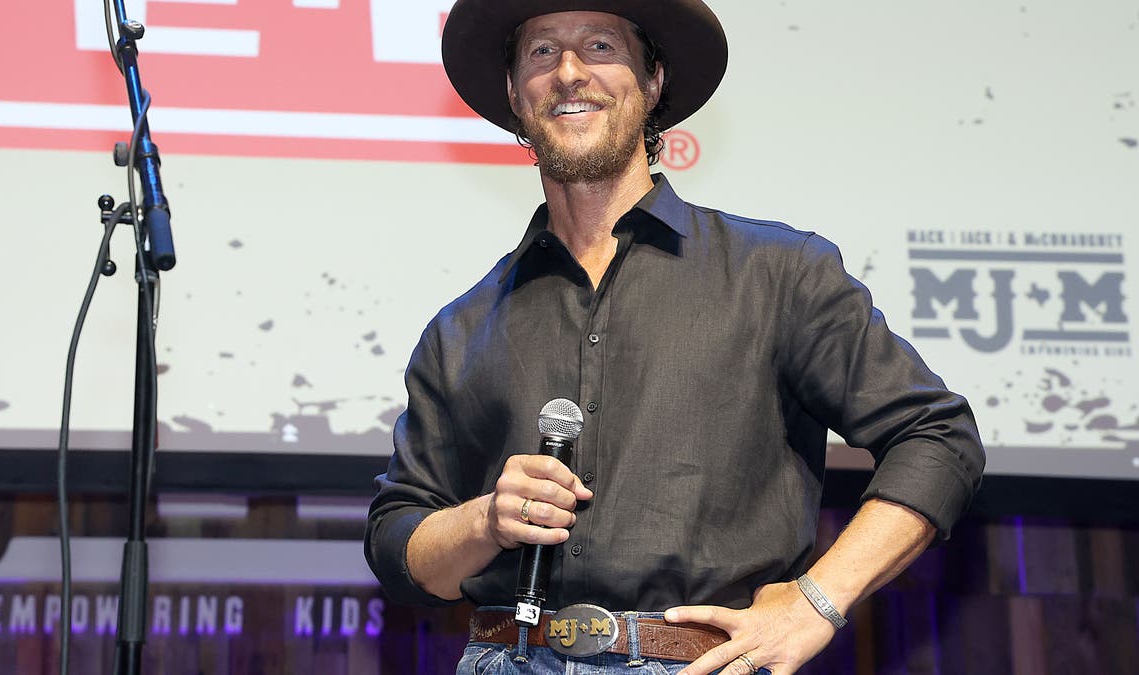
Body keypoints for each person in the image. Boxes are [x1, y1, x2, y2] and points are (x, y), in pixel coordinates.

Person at [364, 1, 986, 673]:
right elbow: (401, 545)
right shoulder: (461, 328)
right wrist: (483, 519)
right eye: (541, 53)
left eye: (600, 46)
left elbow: (937, 437)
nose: (570, 72)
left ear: (653, 81)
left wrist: (816, 600)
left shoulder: (775, 272)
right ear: (516, 93)